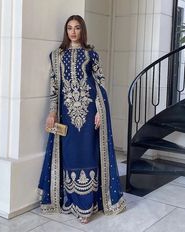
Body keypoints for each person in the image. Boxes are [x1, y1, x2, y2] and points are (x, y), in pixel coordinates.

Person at [38, 15, 126, 224]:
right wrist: (52, 113)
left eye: (77, 28)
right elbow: (54, 89)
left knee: (88, 155)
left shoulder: (92, 55)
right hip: (66, 116)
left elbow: (100, 84)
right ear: (66, 31)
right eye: (69, 28)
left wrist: (99, 111)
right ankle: (73, 203)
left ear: (82, 30)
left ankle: (87, 207)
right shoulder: (57, 56)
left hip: (88, 116)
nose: (73, 32)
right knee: (70, 157)